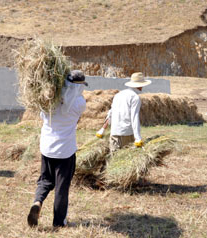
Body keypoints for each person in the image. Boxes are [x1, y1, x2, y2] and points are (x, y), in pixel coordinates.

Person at [27, 70, 87, 228]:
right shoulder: (79, 103)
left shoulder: (49, 99)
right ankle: (59, 222)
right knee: (61, 187)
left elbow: (42, 114)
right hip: (65, 151)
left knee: (45, 180)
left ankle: (37, 202)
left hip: (47, 147)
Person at [96, 72, 151, 152]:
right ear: (139, 85)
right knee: (127, 158)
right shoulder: (135, 98)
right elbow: (134, 118)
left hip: (114, 132)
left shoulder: (118, 95)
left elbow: (110, 113)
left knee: (114, 159)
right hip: (126, 133)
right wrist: (138, 138)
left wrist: (103, 129)